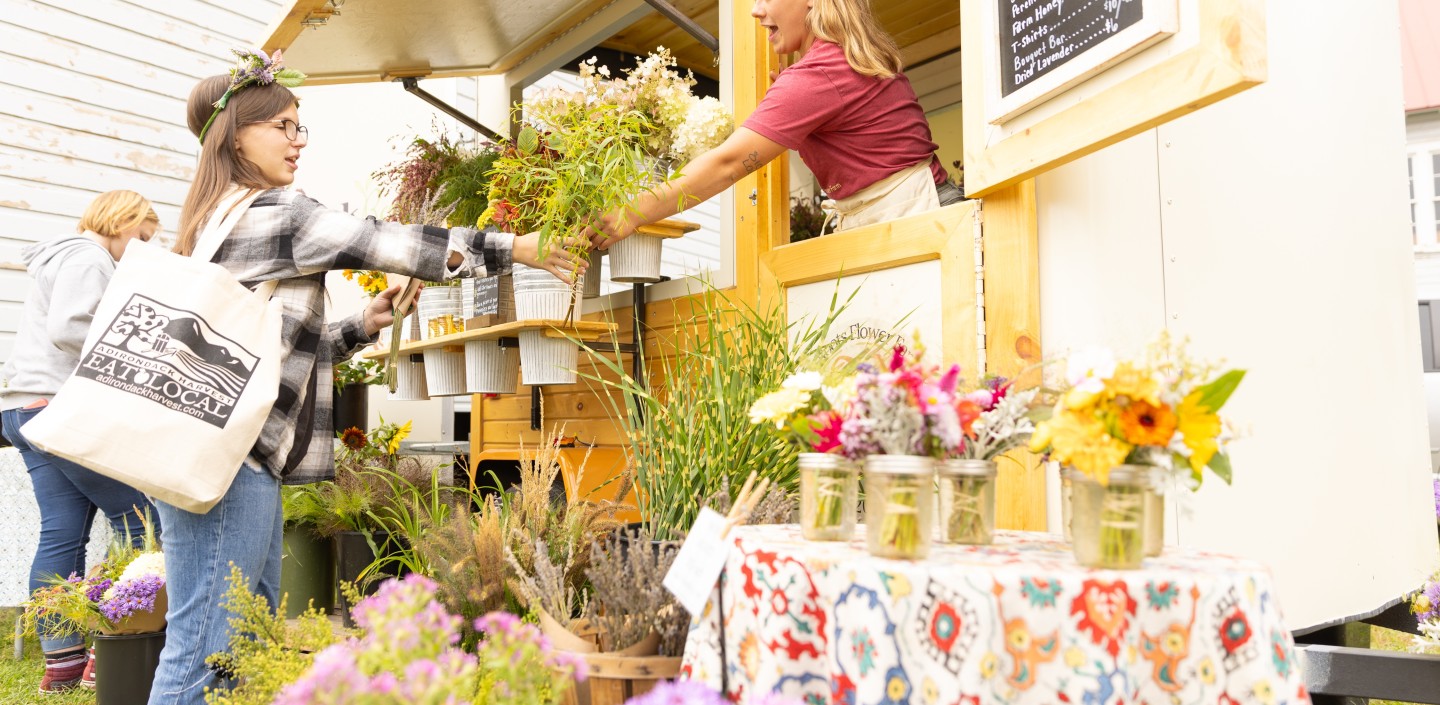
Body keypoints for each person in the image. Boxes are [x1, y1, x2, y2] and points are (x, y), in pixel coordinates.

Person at [149, 51, 584, 705]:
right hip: (230, 465)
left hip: (215, 455)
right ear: (237, 133)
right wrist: (515, 246)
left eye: (302, 128)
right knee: (207, 653)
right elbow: (389, 241)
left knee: (241, 647)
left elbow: (262, 349)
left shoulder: (209, 221)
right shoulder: (280, 214)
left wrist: (360, 323)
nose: (299, 142)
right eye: (284, 127)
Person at [590, 0, 963, 250]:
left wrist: (631, 214)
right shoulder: (838, 61)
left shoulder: (820, 73)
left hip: (921, 217)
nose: (756, 10)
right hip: (914, 211)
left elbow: (727, 164)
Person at [0, 190, 162, 694]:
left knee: (61, 535)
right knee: (141, 522)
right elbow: (72, 328)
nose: (140, 249)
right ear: (124, 220)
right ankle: (109, 651)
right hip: (59, 408)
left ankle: (63, 666)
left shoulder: (63, 255)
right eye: (142, 237)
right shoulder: (89, 256)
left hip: (24, 408)